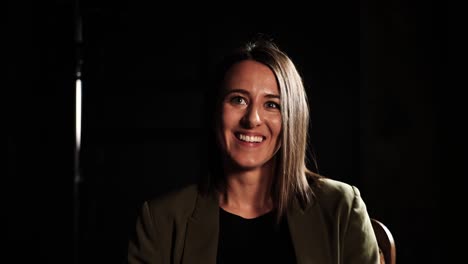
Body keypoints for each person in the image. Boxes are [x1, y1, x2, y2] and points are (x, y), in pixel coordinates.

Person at [127, 35, 380, 264]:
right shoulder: (161, 220)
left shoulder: (340, 207)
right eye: (238, 99)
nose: (252, 119)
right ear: (215, 112)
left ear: (292, 117)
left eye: (272, 104)